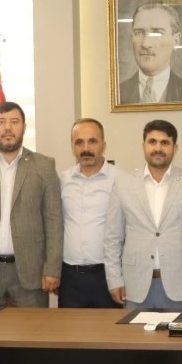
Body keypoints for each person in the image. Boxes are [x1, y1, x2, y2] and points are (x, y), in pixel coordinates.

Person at [0, 101, 63, 321]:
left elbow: (54, 220)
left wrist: (52, 268)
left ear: (24, 127)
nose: (8, 128)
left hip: (30, 270)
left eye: (14, 122)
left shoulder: (44, 166)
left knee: (32, 336)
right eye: (1, 122)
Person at [104, 120, 182, 308]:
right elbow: (113, 237)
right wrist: (114, 279)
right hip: (135, 287)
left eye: (165, 142)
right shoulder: (123, 184)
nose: (158, 148)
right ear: (143, 146)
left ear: (175, 148)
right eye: (152, 142)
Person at [59, 118, 119, 308]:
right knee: (68, 328)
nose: (86, 148)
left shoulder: (122, 180)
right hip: (70, 278)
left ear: (104, 145)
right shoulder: (62, 180)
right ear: (72, 147)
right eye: (79, 142)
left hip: (108, 277)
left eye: (92, 141)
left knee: (110, 327)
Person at [119, 2, 182, 104]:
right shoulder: (118, 92)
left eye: (157, 33)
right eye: (138, 33)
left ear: (176, 41)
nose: (145, 44)